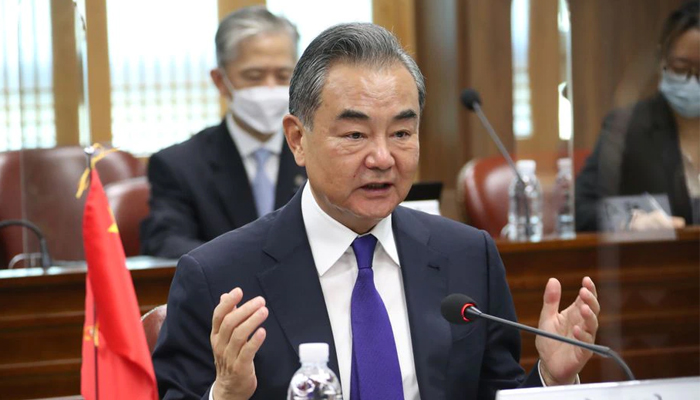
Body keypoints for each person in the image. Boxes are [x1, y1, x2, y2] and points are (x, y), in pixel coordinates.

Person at [153, 23, 600, 400]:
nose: (383, 158)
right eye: (354, 135)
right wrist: (225, 395)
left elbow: (493, 391)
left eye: (402, 132)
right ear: (297, 139)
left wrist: (550, 380)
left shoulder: (467, 256)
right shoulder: (218, 277)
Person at [140, 6, 307, 259]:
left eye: (284, 76)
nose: (270, 87)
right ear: (220, 81)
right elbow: (166, 242)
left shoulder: (319, 154)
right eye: (254, 76)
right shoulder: (178, 165)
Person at [576, 0, 699, 232]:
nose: (693, 81)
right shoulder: (628, 126)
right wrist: (630, 221)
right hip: (660, 263)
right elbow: (580, 209)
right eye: (682, 68)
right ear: (663, 61)